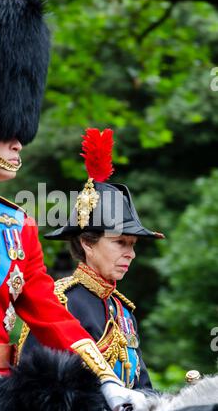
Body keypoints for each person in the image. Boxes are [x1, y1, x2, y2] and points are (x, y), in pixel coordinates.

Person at [0, 0, 149, 411]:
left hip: (3, 402)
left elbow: (50, 314)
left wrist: (107, 380)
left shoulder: (17, 224)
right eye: (6, 128)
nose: (18, 140)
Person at [21, 128, 165, 392]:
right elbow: (34, 386)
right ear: (87, 242)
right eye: (120, 242)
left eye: (133, 245)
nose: (130, 254)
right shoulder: (60, 300)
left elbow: (142, 386)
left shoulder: (123, 311)